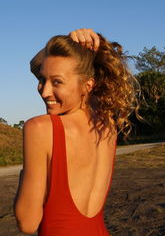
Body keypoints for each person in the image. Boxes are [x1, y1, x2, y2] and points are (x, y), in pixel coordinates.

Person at [14, 28, 139, 235]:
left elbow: (27, 223)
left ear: (87, 85)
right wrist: (72, 43)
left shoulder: (41, 128)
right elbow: (35, 65)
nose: (45, 91)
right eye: (42, 79)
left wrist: (23, 178)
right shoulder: (106, 124)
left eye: (57, 82)